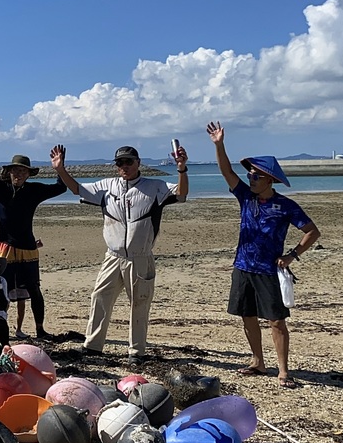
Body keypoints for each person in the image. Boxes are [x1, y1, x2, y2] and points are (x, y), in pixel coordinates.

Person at [209, 121, 320, 389]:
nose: (251, 179)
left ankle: (283, 370)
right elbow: (226, 171)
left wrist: (292, 255)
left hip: (269, 270)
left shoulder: (286, 206)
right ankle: (258, 361)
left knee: (276, 321)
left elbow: (312, 232)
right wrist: (219, 145)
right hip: (243, 267)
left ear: (270, 180)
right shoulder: (246, 197)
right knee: (247, 316)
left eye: (256, 176)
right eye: (250, 176)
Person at [55, 142, 188, 365]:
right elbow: (78, 189)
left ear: (138, 163)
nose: (124, 166)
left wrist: (182, 168)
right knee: (99, 297)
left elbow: (182, 193)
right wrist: (60, 169)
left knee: (139, 303)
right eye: (120, 162)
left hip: (140, 257)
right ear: (116, 166)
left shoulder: (154, 186)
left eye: (129, 161)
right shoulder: (107, 186)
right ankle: (93, 346)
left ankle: (136, 352)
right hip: (113, 257)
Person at [0, 134, 67, 339]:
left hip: (27, 247)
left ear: (28, 174)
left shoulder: (34, 190)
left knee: (34, 289)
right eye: (15, 170)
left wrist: (60, 167)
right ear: (8, 172)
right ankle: (0, 328)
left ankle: (40, 329)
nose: (18, 173)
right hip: (4, 247)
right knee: (1, 289)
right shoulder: (0, 188)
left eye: (23, 170)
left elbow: (61, 187)